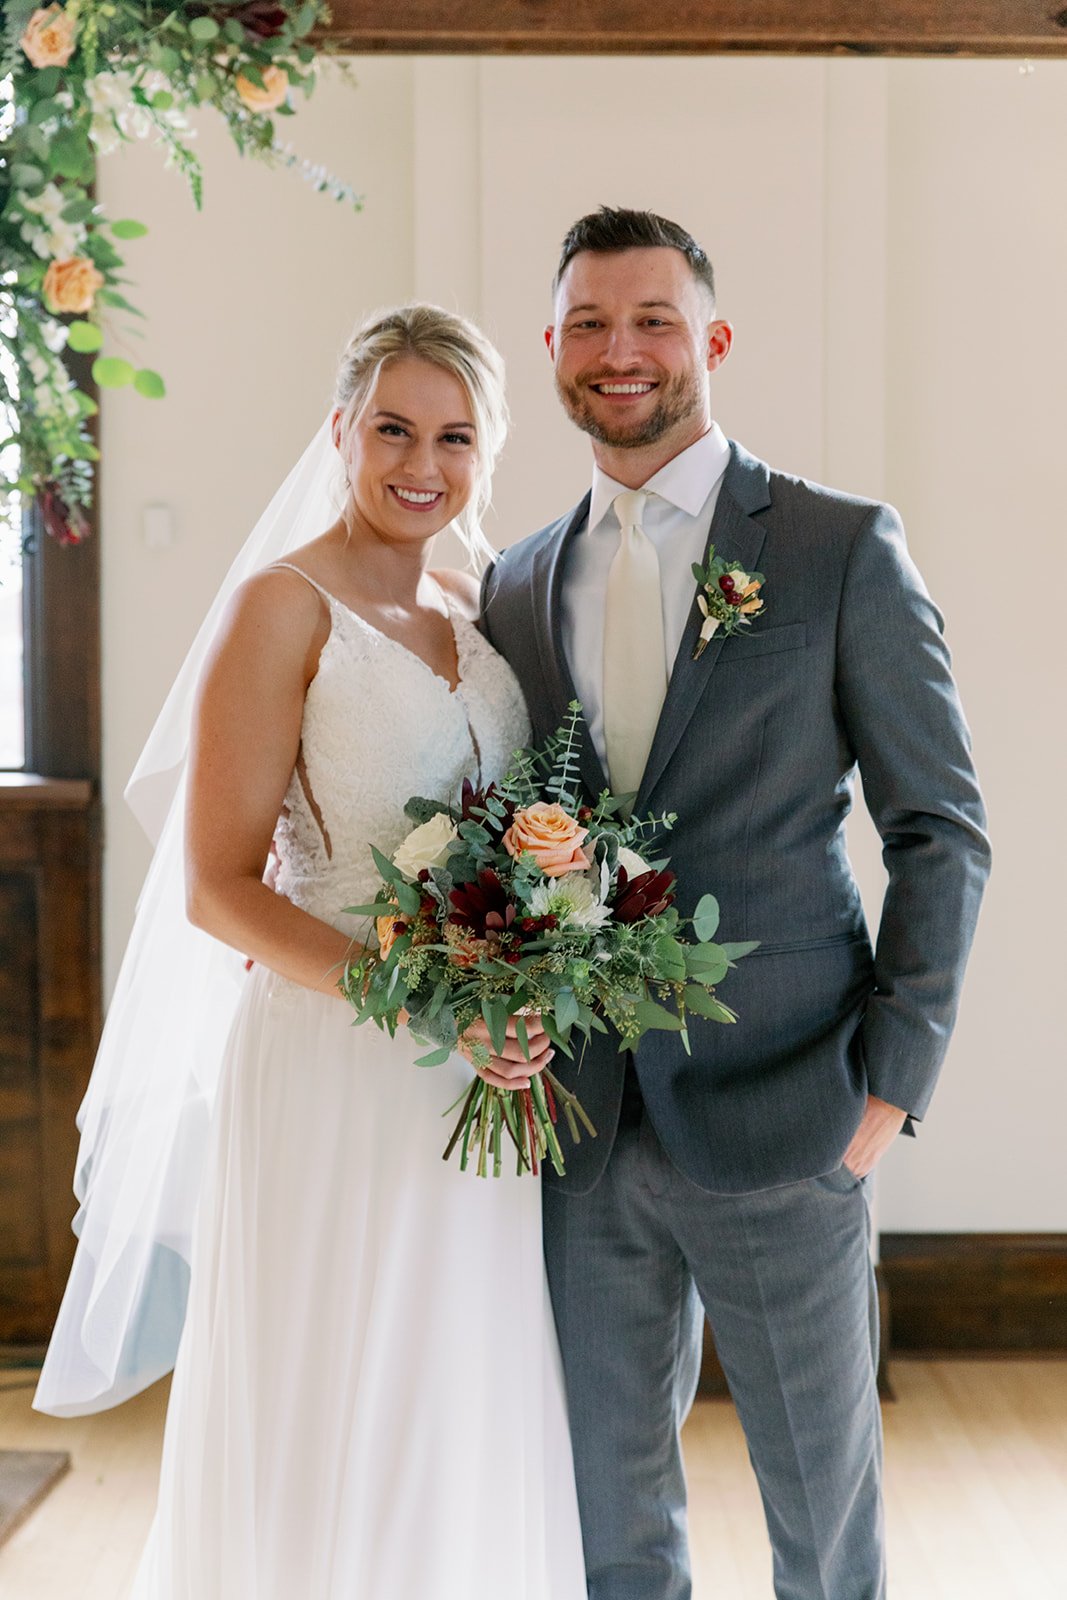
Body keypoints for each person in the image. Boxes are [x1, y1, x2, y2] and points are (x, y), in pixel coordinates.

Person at [479, 208, 991, 1600]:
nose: (620, 349)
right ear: (553, 352)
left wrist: (887, 1091)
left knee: (824, 1529)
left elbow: (941, 828)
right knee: (610, 1527)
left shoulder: (836, 546)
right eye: (589, 323)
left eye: (651, 319)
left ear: (710, 339)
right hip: (583, 1128)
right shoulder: (516, 581)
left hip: (791, 1108)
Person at [35, 305, 586, 1599]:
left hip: (473, 1080)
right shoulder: (282, 609)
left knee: (458, 1383)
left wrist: (524, 986)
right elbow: (216, 889)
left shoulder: (477, 603)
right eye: (392, 427)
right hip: (336, 1059)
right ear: (340, 430)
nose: (421, 462)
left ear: (488, 452)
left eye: (455, 436)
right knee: (337, 1377)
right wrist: (426, 1002)